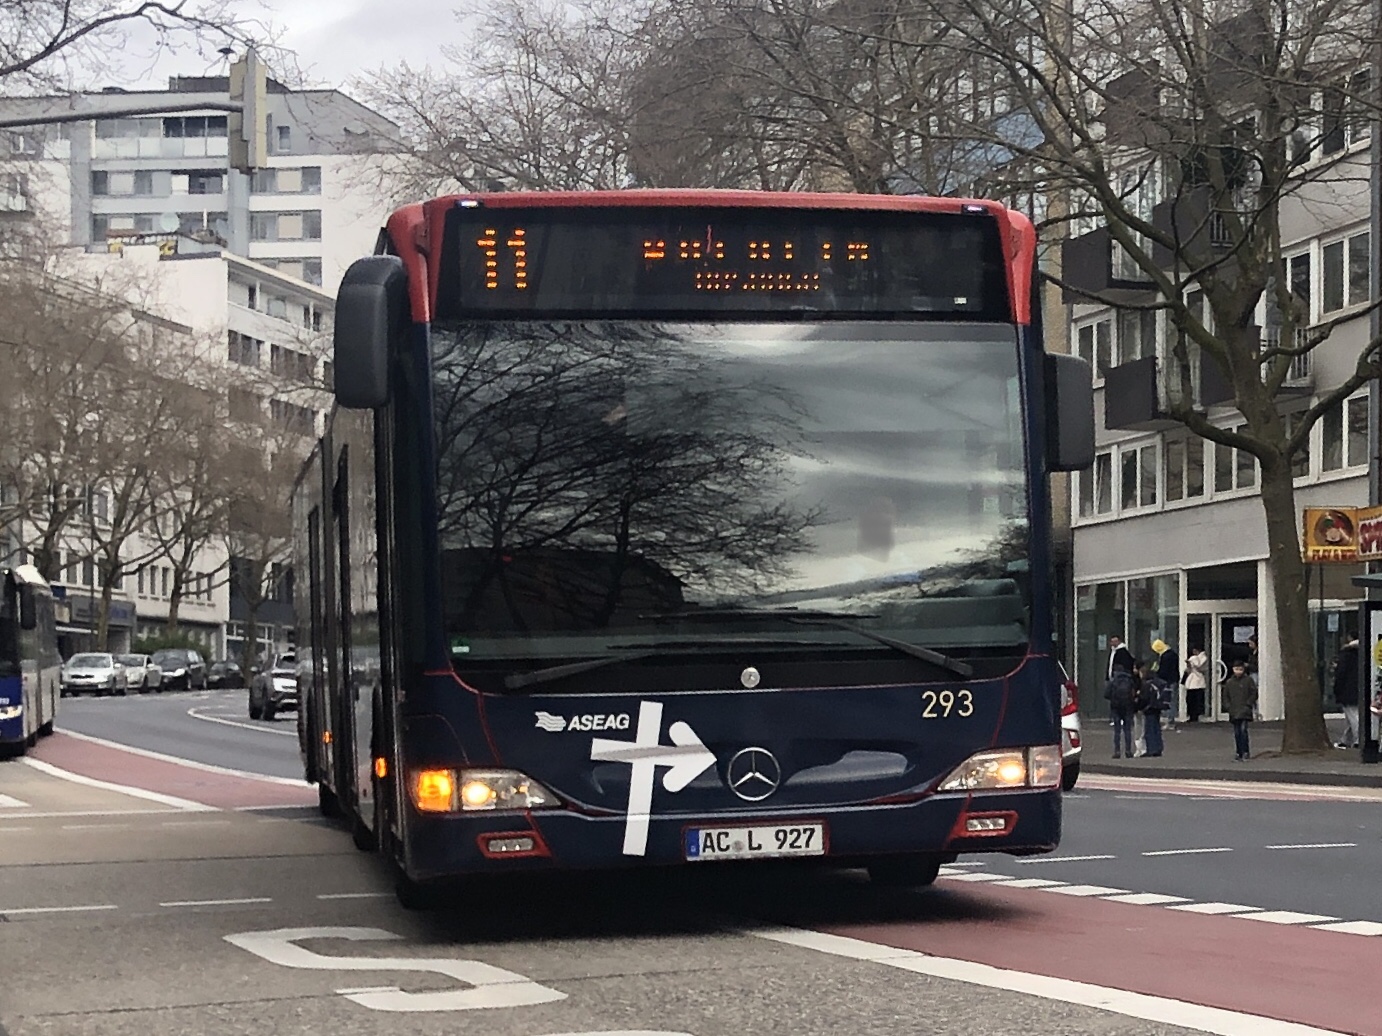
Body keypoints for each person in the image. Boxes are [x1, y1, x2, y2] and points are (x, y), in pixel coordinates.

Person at [1223, 659, 1258, 761]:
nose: (1238, 671)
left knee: (1243, 731)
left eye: (1240, 669)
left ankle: (1245, 751)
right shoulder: (1230, 682)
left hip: (1244, 710)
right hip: (1234, 710)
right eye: (1236, 669)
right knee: (1237, 733)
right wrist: (1228, 706)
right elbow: (1226, 696)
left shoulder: (1248, 680)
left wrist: (1248, 704)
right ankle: (1239, 752)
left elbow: (1254, 693)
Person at [1332, 637, 1360, 749]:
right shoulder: (1363, 653)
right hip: (1359, 689)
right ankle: (1345, 740)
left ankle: (1358, 740)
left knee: (1353, 716)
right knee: (1351, 718)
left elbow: (1341, 674)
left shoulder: (1346, 654)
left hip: (1348, 690)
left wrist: (1337, 689)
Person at [1104, 663, 1136, 759]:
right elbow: (1133, 693)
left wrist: (1113, 699)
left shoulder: (1113, 681)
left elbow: (1106, 694)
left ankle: (1117, 751)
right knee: (1127, 729)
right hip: (1128, 706)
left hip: (1116, 707)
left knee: (1117, 730)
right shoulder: (1129, 680)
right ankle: (1128, 751)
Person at [1138, 660, 1168, 757]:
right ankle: (1158, 747)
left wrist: (1140, 706)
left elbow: (1144, 698)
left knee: (1149, 729)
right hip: (1157, 706)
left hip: (1149, 708)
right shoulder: (1157, 682)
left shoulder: (1147, 684)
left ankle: (1151, 749)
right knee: (1156, 728)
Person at [1152, 638, 1180, 729]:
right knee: (1172, 700)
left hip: (1167, 681)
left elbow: (1163, 671)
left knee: (1168, 701)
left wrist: (1156, 673)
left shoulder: (1165, 656)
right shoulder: (1173, 654)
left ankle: (1170, 721)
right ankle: (1171, 720)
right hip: (1173, 679)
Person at [1183, 644, 1209, 722]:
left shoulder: (1203, 658)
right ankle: (1192, 715)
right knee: (1191, 699)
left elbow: (1200, 668)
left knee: (1197, 699)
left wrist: (1193, 663)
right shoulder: (1195, 658)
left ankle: (1197, 715)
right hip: (1192, 680)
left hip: (1198, 680)